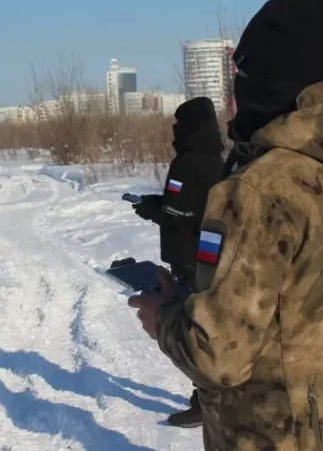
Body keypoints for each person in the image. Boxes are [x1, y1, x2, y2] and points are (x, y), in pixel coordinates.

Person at [128, 0, 323, 450]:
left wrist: (164, 318)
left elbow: (217, 355)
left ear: (273, 82)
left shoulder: (261, 189)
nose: (233, 96)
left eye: (241, 77)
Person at [129, 95, 224, 428]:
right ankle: (208, 399)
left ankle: (205, 403)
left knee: (189, 333)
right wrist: (159, 203)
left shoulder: (185, 163)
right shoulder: (218, 158)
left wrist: (152, 209)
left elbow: (179, 213)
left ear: (189, 128)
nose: (174, 132)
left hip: (188, 258)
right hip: (210, 256)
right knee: (208, 330)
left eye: (178, 126)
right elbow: (192, 204)